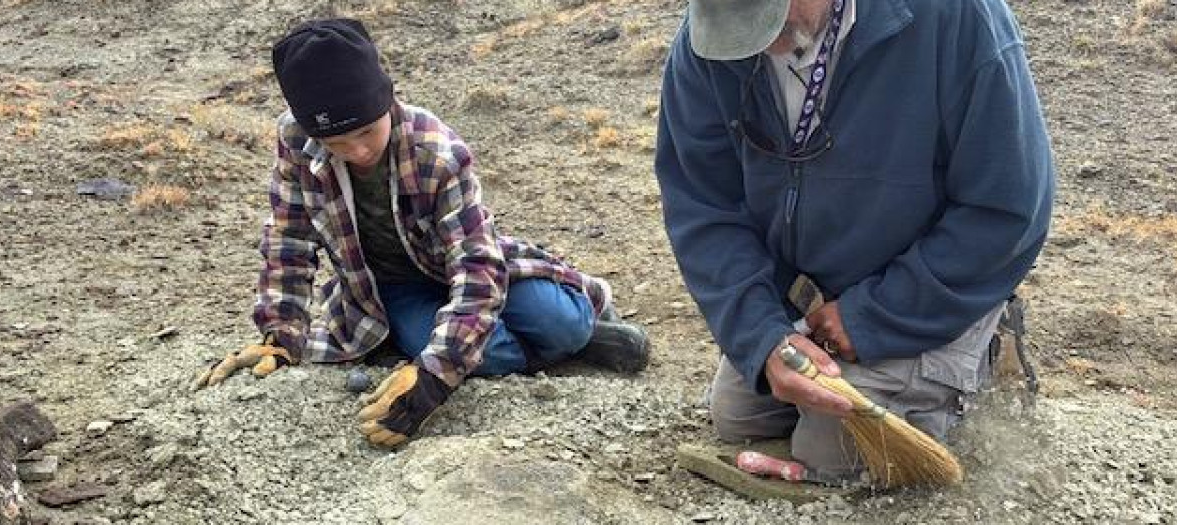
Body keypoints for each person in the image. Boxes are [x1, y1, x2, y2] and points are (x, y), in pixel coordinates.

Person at [194, 18, 650, 448]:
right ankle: (550, 354)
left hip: (455, 267)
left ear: (387, 101)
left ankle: (577, 337)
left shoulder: (438, 149)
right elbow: (288, 241)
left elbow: (476, 266)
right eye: (338, 144)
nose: (358, 151)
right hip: (387, 289)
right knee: (486, 355)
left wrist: (432, 379)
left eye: (368, 132)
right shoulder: (295, 140)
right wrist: (281, 333)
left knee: (562, 323)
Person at [655, 0, 1054, 481]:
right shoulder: (709, 40)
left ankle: (983, 351)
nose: (757, 44)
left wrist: (873, 316)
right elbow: (704, 208)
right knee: (739, 418)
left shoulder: (957, 17)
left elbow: (1008, 210)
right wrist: (762, 337)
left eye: (768, 16)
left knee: (833, 449)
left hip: (926, 286)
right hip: (806, 299)